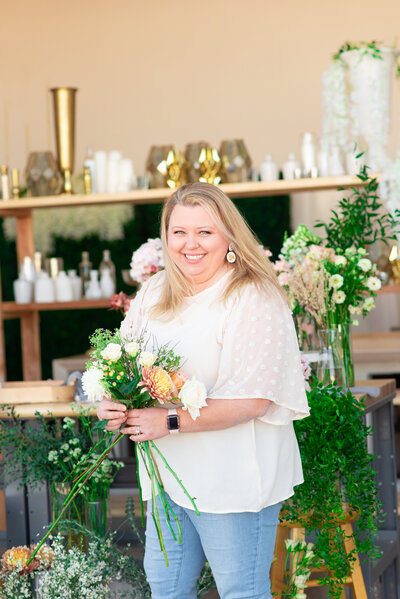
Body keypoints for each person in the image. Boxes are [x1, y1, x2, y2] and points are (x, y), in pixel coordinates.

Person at [97, 182, 309, 599]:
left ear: (228, 235)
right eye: (179, 232)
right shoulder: (155, 293)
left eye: (204, 232)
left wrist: (168, 419)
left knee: (240, 591)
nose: (190, 244)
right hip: (167, 476)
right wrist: (110, 402)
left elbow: (254, 399)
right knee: (167, 588)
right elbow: (118, 362)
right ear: (166, 237)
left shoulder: (252, 297)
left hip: (233, 479)